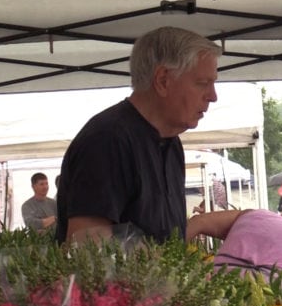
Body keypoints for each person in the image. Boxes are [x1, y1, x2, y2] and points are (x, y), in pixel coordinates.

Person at [55, 26, 222, 244]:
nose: (213, 96)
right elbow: (88, 248)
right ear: (163, 80)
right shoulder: (108, 140)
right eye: (202, 83)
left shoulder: (171, 143)